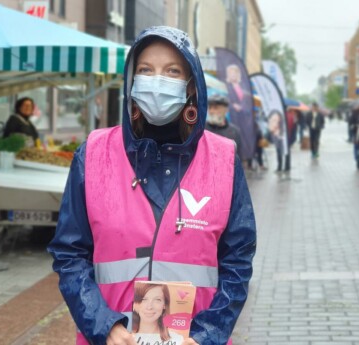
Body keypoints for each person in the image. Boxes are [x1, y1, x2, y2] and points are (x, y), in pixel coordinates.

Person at [47, 26, 257, 345]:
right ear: (132, 82)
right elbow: (69, 253)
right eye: (146, 70)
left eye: (171, 71)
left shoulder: (223, 160)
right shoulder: (93, 154)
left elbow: (237, 260)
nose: (157, 81)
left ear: (190, 85)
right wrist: (105, 326)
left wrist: (207, 335)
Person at [205, 94, 243, 160]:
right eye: (210, 108)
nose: (211, 111)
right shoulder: (201, 129)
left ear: (226, 110)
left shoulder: (234, 131)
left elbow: (238, 157)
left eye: (215, 108)